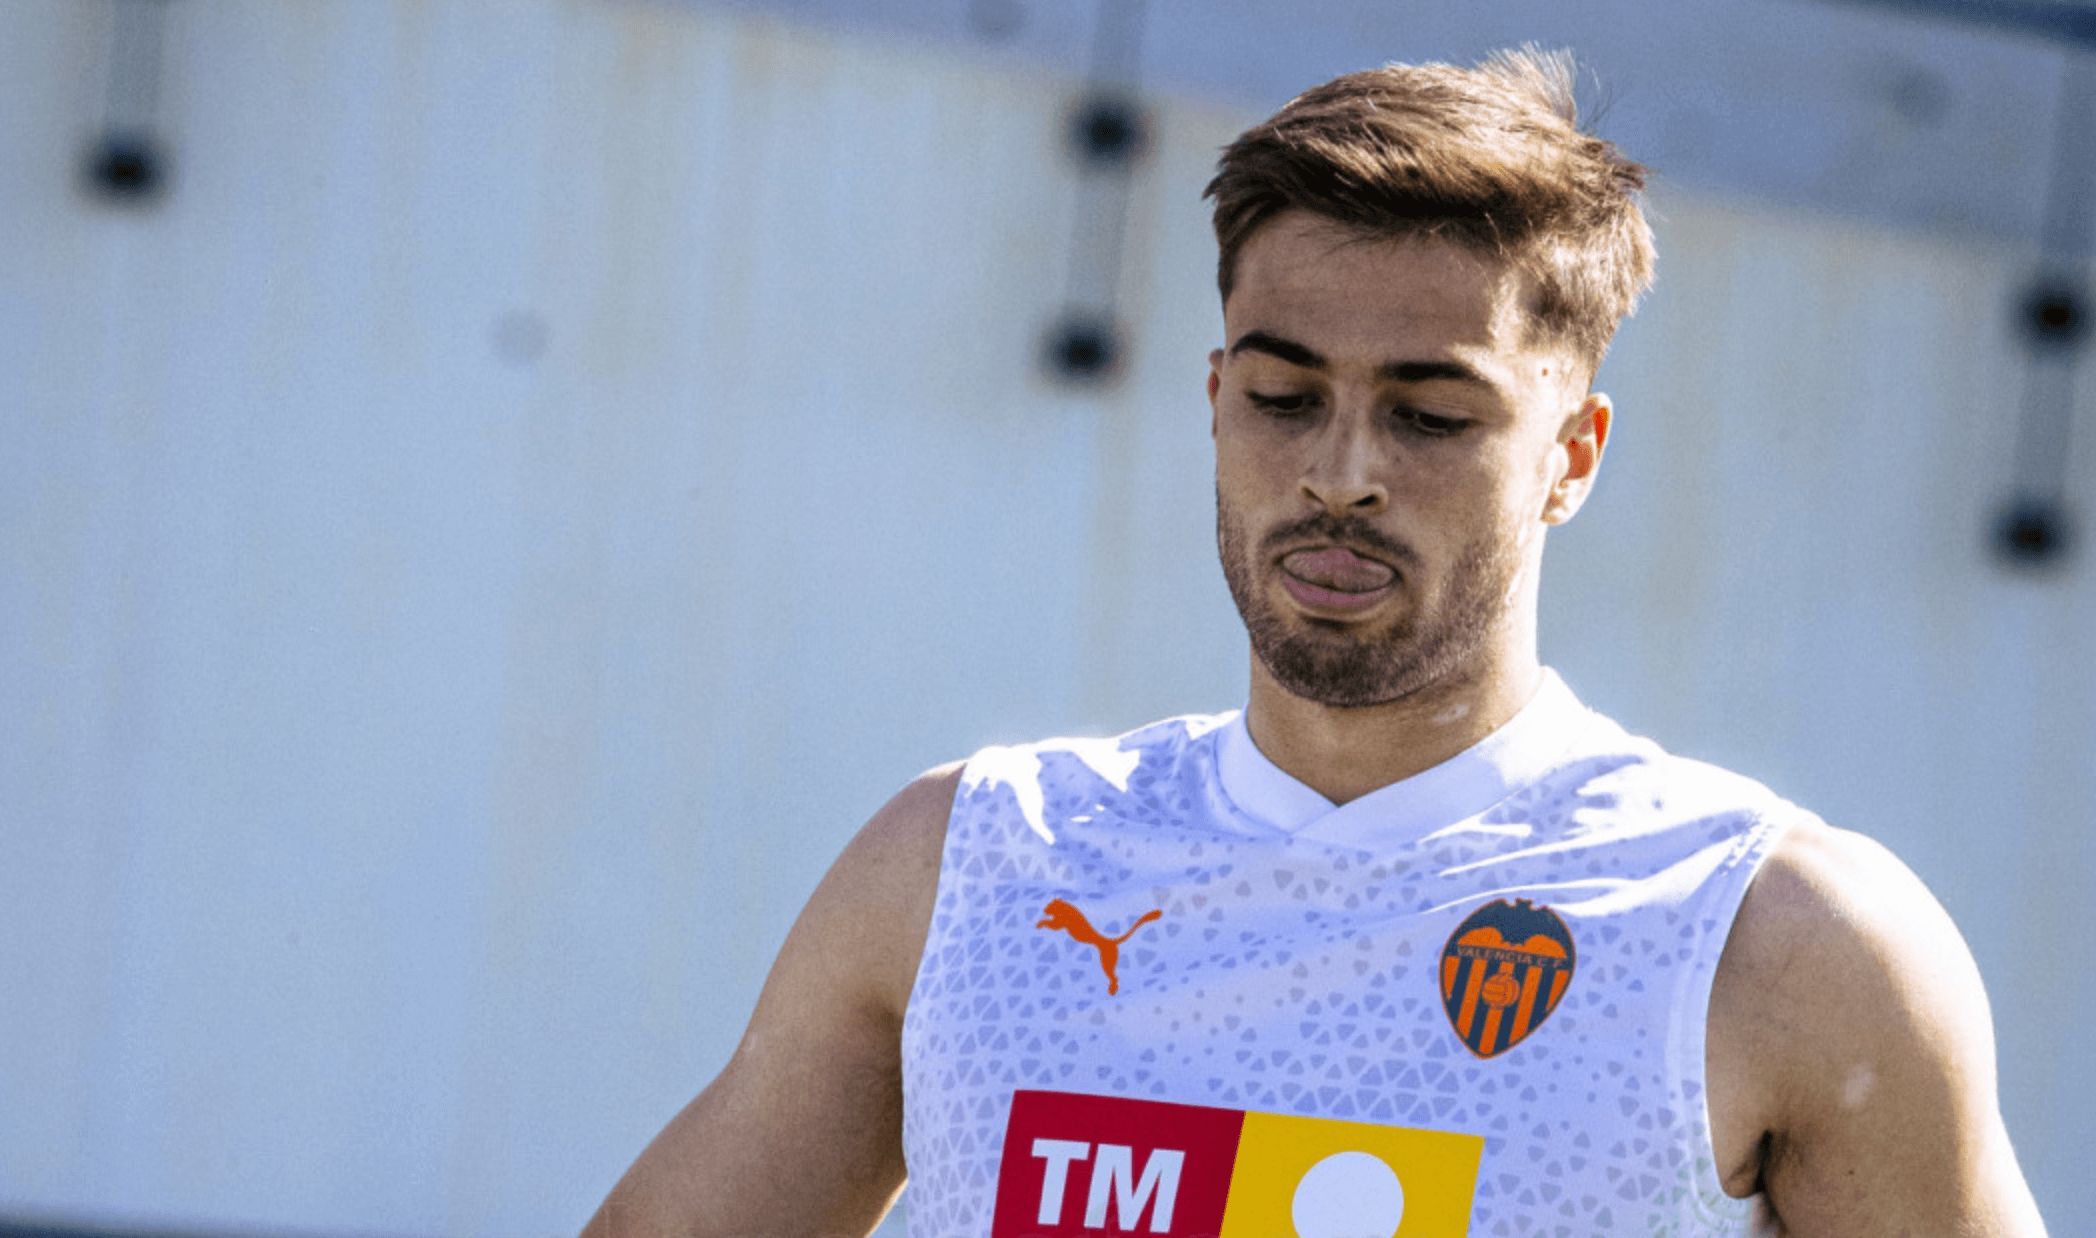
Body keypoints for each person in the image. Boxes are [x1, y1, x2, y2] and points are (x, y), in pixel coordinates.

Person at [582, 46, 2046, 1237]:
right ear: (1216, 397)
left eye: (1431, 412)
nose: (1343, 469)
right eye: (1286, 396)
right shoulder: (968, 859)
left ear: (1572, 452)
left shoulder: (1776, 934)